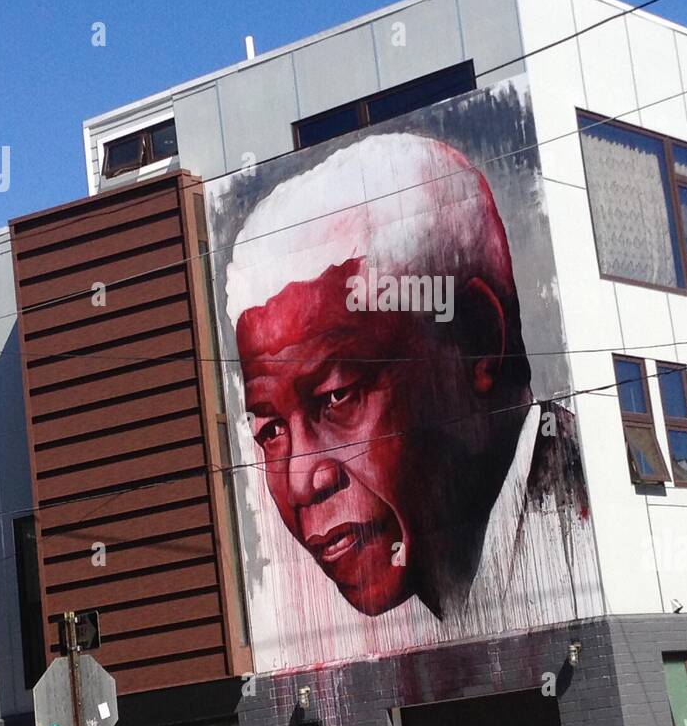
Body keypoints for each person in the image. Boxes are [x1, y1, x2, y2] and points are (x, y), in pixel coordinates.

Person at [223, 128, 599, 634]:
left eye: (338, 397)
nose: (300, 480)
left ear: (477, 342)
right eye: (270, 431)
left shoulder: (597, 517)